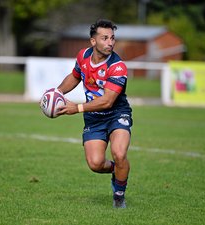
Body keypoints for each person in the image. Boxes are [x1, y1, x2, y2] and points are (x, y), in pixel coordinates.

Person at [57, 19, 132, 208]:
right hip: (94, 118)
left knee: (119, 153)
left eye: (112, 38)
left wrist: (77, 108)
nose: (110, 43)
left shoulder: (117, 67)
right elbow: (75, 77)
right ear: (93, 41)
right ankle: (119, 171)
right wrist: (56, 93)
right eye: (105, 38)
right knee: (96, 164)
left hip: (117, 114)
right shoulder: (83, 56)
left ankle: (118, 196)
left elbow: (107, 101)